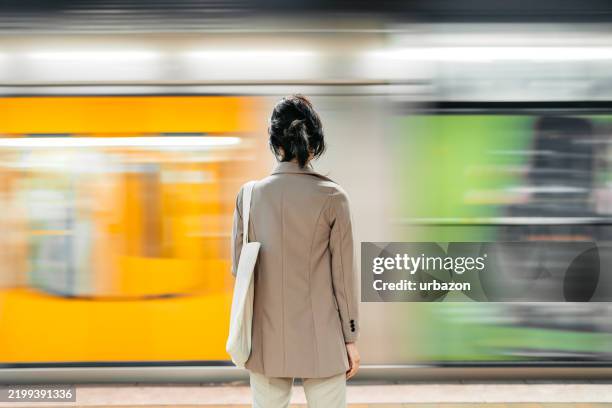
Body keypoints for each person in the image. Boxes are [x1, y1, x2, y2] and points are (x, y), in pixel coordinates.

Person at [231, 94, 360, 408]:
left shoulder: (247, 197)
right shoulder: (333, 197)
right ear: (314, 144)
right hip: (324, 340)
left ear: (276, 144)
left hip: (265, 341)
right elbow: (342, 279)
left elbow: (239, 268)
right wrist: (350, 339)